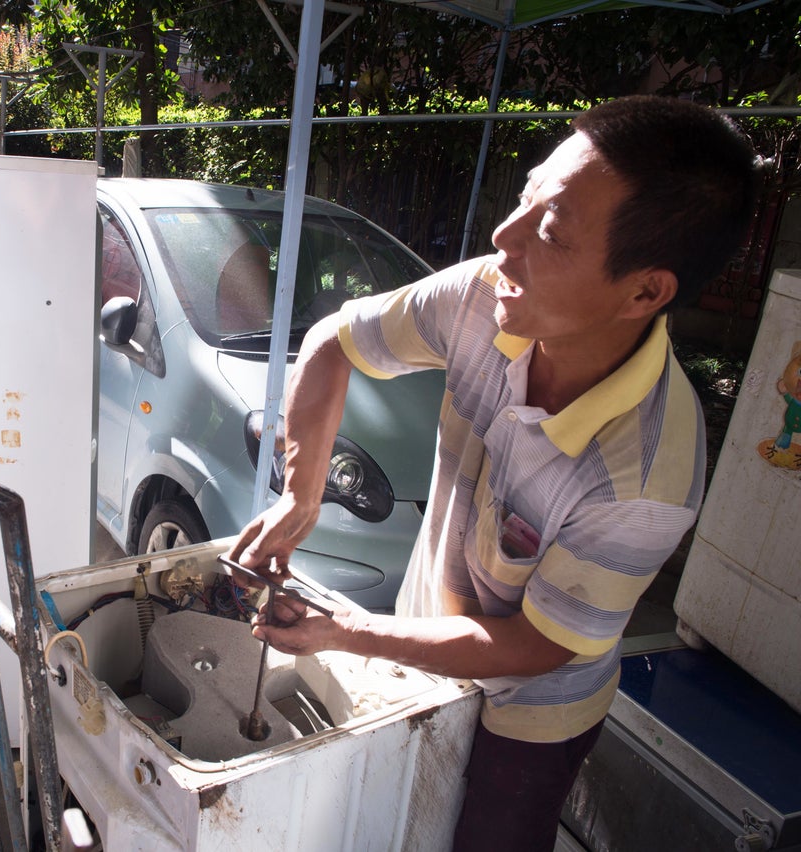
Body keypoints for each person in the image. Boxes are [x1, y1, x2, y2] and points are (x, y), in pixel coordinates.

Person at [229, 95, 760, 852]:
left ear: (645, 291)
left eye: (550, 233)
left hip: (530, 714)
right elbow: (332, 342)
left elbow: (534, 648)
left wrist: (351, 630)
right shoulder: (488, 297)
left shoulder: (646, 474)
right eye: (525, 197)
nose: (502, 240)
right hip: (422, 649)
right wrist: (300, 494)